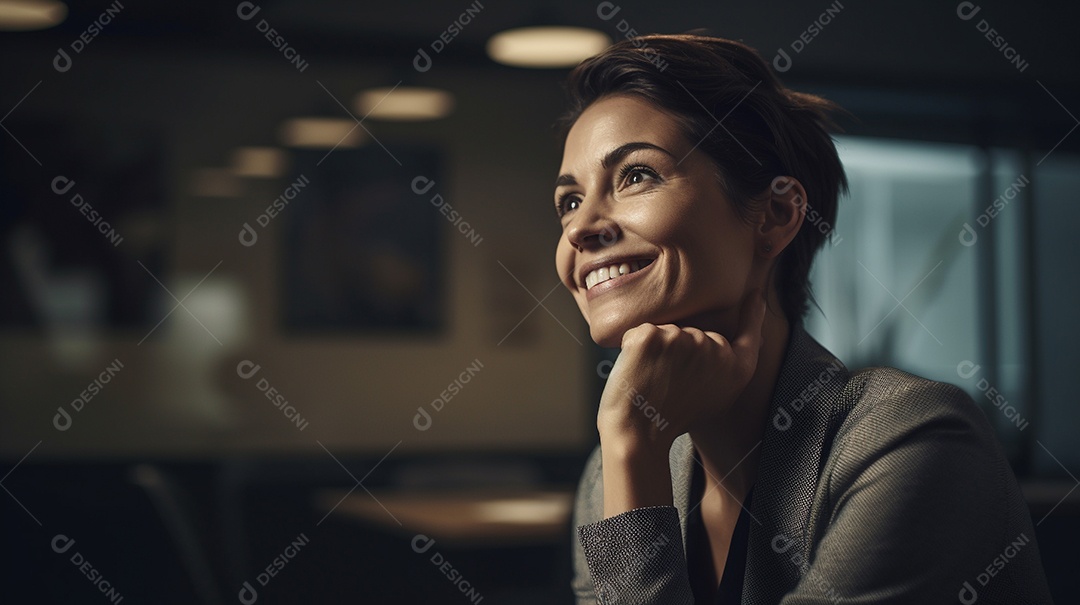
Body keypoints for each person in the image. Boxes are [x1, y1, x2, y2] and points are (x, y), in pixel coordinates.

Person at [555, 34, 1053, 604]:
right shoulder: (614, 470)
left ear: (776, 214)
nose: (579, 227)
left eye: (636, 175)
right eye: (568, 201)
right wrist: (631, 452)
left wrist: (633, 444)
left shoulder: (914, 440)